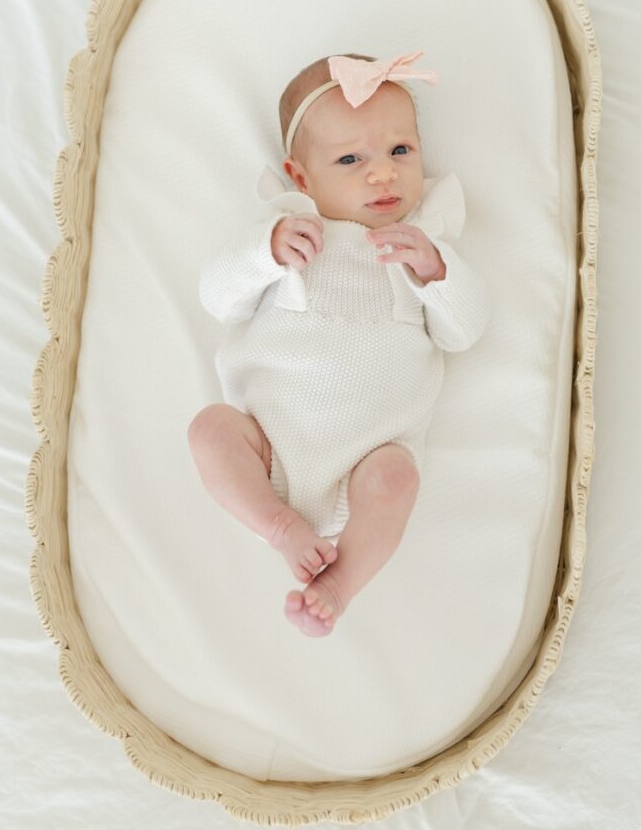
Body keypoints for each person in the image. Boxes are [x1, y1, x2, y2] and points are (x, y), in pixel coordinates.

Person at [188, 51, 491, 637]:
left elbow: (467, 330)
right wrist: (264, 254)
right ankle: (279, 527)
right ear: (302, 179)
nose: (382, 174)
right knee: (210, 429)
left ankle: (341, 581)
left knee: (398, 477)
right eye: (351, 159)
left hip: (369, 460)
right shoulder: (288, 235)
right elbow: (216, 298)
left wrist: (436, 272)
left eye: (400, 151)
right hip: (268, 448)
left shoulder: (425, 243)